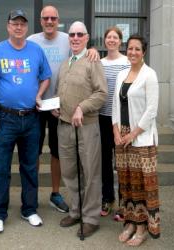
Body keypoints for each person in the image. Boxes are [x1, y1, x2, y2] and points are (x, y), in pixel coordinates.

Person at [0, 9, 51, 233]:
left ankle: (29, 209)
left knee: (30, 167)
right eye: (14, 23)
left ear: (26, 27)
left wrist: (39, 94)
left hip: (31, 118)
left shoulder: (36, 50)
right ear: (8, 26)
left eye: (22, 23)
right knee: (0, 168)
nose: (18, 27)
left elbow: (46, 76)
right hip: (4, 118)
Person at [27, 5, 99, 213]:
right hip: (37, 105)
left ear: (58, 20)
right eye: (46, 18)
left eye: (53, 18)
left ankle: (55, 193)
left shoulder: (68, 38)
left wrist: (93, 49)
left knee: (58, 154)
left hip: (60, 108)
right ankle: (32, 195)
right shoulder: (32, 40)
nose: (49, 22)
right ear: (40, 20)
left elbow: (81, 51)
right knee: (34, 152)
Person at [53, 21, 107, 238]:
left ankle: (91, 218)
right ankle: (76, 211)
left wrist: (81, 108)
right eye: (72, 35)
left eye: (79, 34)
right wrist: (55, 107)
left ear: (86, 38)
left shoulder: (93, 61)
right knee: (69, 171)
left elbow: (101, 94)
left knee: (90, 172)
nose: (75, 38)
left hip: (86, 126)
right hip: (64, 125)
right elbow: (60, 91)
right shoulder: (65, 63)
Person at [112, 34, 160, 246]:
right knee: (126, 183)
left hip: (141, 138)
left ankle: (141, 228)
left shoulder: (149, 75)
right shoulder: (121, 74)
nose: (132, 52)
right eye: (130, 48)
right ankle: (129, 223)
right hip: (121, 137)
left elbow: (151, 111)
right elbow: (115, 105)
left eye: (137, 49)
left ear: (144, 52)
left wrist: (133, 134)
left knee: (141, 184)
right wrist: (116, 131)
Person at [99, 26, 130, 217]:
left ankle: (124, 203)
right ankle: (107, 198)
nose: (111, 40)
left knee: (122, 162)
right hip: (102, 118)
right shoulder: (99, 63)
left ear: (120, 41)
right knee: (104, 162)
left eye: (115, 37)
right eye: (108, 37)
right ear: (105, 41)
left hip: (121, 119)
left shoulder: (127, 62)